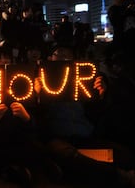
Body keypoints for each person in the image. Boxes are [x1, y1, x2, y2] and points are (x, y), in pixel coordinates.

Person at [33, 44, 135, 187]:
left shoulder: (84, 81)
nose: (63, 60)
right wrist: (37, 98)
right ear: (50, 59)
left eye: (67, 57)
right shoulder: (40, 81)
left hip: (86, 137)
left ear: (75, 61)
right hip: (59, 140)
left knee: (124, 154)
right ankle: (120, 177)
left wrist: (101, 96)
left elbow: (98, 113)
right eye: (58, 56)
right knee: (66, 155)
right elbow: (36, 120)